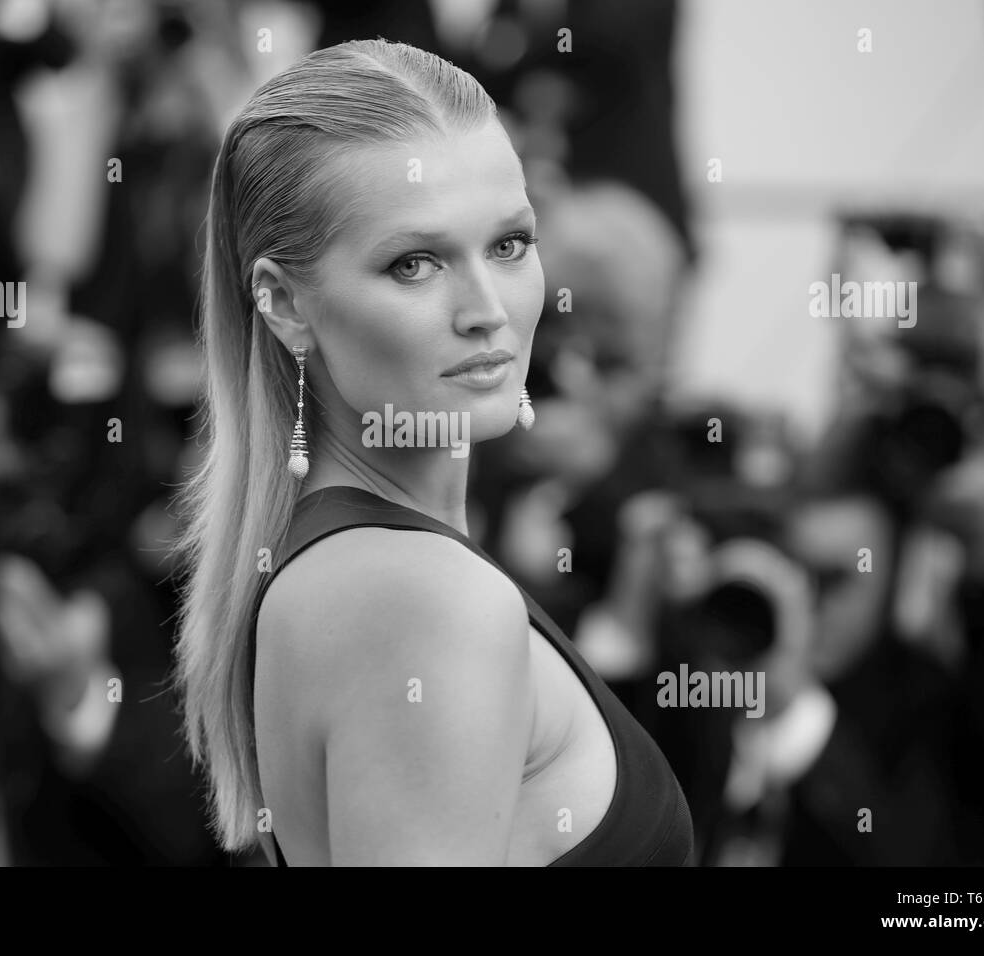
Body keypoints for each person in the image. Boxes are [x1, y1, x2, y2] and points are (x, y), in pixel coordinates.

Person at [172, 38, 693, 866]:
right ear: (282, 302)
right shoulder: (420, 603)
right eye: (413, 263)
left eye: (510, 245)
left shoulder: (360, 570)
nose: (488, 308)